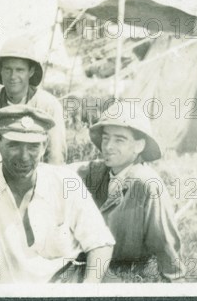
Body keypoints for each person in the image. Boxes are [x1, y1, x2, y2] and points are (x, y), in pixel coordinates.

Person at [0, 105, 115, 283]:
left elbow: (100, 242)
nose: (24, 156)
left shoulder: (65, 182)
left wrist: (87, 291)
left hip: (65, 284)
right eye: (14, 145)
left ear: (44, 146)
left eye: (33, 146)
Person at [75, 101, 185, 282]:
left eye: (119, 139)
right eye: (105, 138)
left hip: (127, 277)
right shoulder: (97, 172)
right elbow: (60, 174)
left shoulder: (147, 185)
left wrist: (175, 282)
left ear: (139, 146)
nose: (108, 146)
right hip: (91, 269)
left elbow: (166, 247)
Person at [0, 35, 67, 165]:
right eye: (8, 69)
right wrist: (2, 154)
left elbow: (55, 156)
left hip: (37, 174)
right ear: (0, 71)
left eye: (20, 70)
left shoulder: (48, 105)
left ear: (31, 72)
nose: (13, 76)